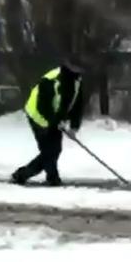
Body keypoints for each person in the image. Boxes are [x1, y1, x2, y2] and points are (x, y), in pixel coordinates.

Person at [11, 58, 85, 186]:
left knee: (53, 150)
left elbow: (77, 104)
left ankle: (24, 175)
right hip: (38, 115)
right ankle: (50, 178)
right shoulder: (51, 79)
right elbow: (43, 105)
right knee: (50, 150)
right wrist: (55, 121)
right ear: (70, 66)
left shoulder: (76, 80)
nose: (82, 71)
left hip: (54, 118)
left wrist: (74, 126)